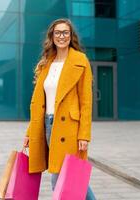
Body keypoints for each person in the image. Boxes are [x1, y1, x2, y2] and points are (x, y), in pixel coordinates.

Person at [23, 18, 96, 199]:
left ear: (71, 36)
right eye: (58, 33)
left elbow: (86, 102)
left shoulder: (80, 61)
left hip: (69, 128)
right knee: (67, 176)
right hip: (48, 125)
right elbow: (39, 104)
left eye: (65, 32)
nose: (61, 36)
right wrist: (29, 133)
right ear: (52, 36)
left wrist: (84, 135)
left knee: (63, 177)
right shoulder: (47, 63)